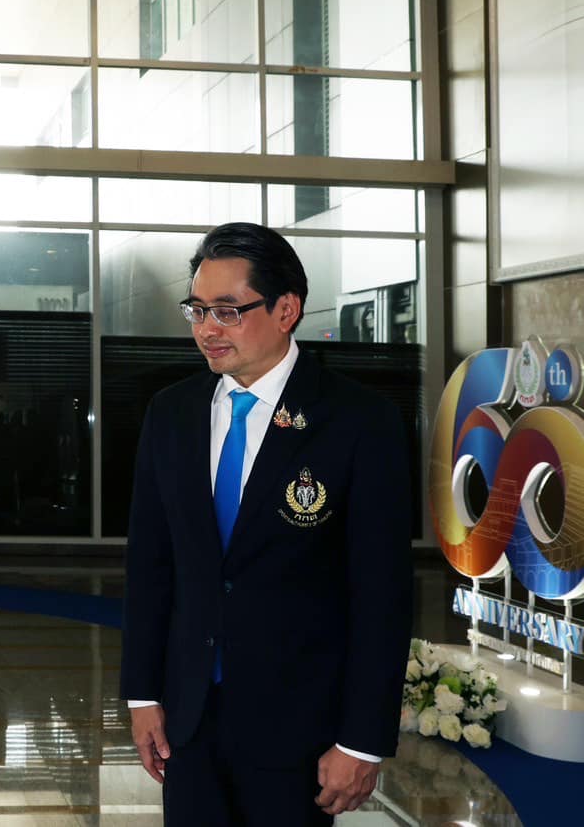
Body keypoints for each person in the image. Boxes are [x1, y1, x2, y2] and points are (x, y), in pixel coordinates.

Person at [120, 222, 411, 825]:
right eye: (197, 310)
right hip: (187, 721)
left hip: (300, 728)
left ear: (286, 310)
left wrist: (362, 740)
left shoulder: (358, 421)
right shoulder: (171, 412)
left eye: (228, 311)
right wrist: (143, 695)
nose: (207, 329)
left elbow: (382, 594)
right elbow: (150, 566)